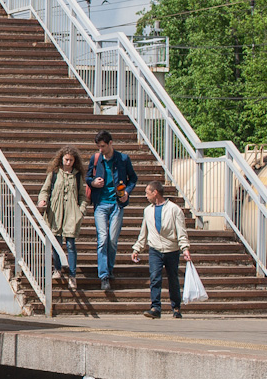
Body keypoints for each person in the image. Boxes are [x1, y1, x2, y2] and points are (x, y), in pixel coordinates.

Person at [131, 180, 191, 319]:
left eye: (147, 193)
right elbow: (143, 232)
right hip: (155, 249)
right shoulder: (148, 210)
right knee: (155, 277)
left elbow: (181, 230)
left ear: (155, 192)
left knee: (173, 279)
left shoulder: (174, 209)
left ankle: (176, 307)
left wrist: (185, 248)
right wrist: (137, 248)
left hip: (172, 249)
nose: (146, 196)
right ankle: (155, 307)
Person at [87, 130, 137, 291]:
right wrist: (93, 182)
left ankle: (109, 268)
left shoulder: (123, 159)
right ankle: (104, 276)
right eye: (98, 147)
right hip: (100, 203)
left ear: (110, 143)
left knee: (112, 240)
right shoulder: (95, 159)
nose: (101, 150)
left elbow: (133, 178)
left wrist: (127, 192)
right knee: (102, 239)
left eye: (103, 146)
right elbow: (87, 177)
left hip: (117, 204)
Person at [37, 146, 87, 289]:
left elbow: (83, 195)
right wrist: (42, 201)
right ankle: (57, 269)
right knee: (56, 243)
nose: (68, 162)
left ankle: (72, 275)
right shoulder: (54, 173)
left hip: (72, 214)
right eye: (66, 159)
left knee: (71, 244)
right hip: (55, 212)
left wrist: (81, 210)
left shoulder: (77, 176)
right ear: (61, 159)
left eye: (71, 160)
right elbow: (45, 190)